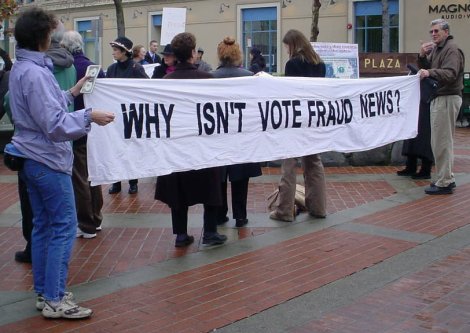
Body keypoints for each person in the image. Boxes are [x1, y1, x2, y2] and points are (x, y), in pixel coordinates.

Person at [8, 7, 114, 318]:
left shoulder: (25, 68)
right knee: (62, 228)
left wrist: (73, 91)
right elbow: (53, 124)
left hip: (33, 158)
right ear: (44, 36)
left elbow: (44, 108)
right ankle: (55, 298)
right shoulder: (36, 73)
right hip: (47, 160)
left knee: (44, 227)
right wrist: (88, 115)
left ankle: (46, 292)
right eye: (53, 31)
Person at [154, 32, 227, 247]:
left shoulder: (166, 81)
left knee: (178, 187)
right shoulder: (207, 80)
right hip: (203, 142)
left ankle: (181, 234)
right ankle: (211, 231)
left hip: (176, 144)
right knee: (210, 185)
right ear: (193, 53)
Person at [269, 29, 327, 222]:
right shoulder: (320, 64)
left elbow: (289, 93)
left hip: (295, 118)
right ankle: (318, 208)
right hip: (314, 118)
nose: (286, 50)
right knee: (314, 163)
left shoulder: (293, 64)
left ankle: (284, 210)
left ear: (292, 44)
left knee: (289, 163)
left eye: (286, 46)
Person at [211, 37, 262, 228]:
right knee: (240, 177)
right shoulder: (249, 76)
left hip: (219, 133)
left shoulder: (210, 77)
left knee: (219, 177)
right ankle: (240, 215)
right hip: (242, 134)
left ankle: (220, 213)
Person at [62, 30, 106, 239]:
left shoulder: (67, 68)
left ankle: (87, 223)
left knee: (79, 177)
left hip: (77, 127)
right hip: (95, 126)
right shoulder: (93, 67)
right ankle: (96, 218)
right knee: (93, 173)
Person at [418, 18, 464, 195]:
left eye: (437, 31)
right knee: (438, 141)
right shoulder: (438, 49)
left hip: (447, 98)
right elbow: (427, 69)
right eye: (432, 31)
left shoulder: (451, 49)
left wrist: (429, 71)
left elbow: (450, 73)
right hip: (440, 97)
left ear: (446, 31)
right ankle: (445, 177)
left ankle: (444, 181)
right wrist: (422, 56)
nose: (433, 34)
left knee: (442, 141)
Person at [106, 36, 148, 195]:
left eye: (116, 50)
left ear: (125, 51)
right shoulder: (111, 69)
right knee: (115, 149)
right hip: (114, 116)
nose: (114, 53)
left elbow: (145, 88)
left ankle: (133, 181)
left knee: (130, 150)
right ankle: (116, 182)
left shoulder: (136, 68)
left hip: (131, 115)